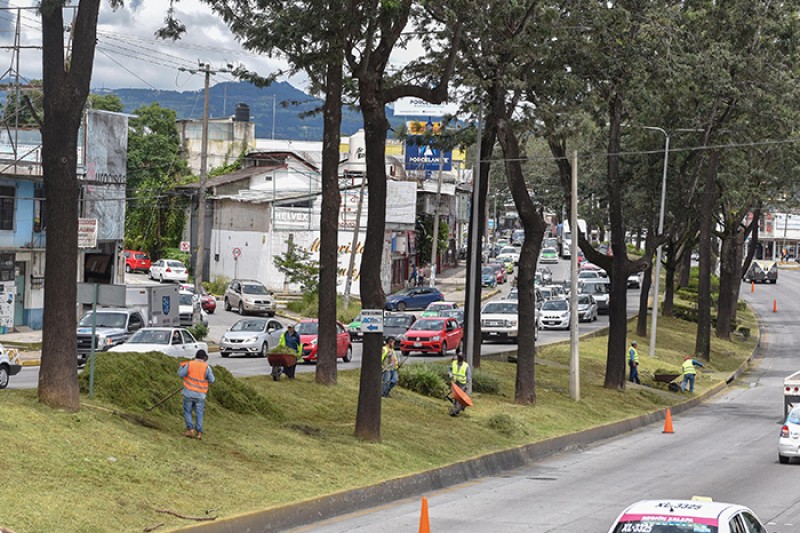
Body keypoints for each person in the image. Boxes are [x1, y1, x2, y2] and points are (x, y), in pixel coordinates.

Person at [178, 352, 215, 440]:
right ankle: (199, 433)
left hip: (188, 393)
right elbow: (212, 380)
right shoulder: (207, 367)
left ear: (196, 356)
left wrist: (181, 366)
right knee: (199, 413)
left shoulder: (189, 364)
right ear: (204, 358)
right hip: (200, 395)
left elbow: (180, 374)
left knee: (187, 411)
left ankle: (190, 430)